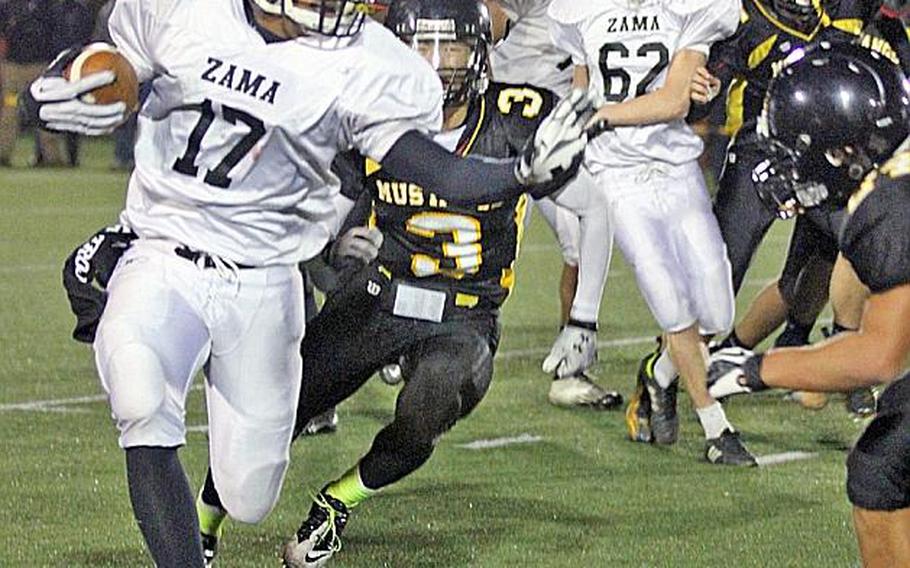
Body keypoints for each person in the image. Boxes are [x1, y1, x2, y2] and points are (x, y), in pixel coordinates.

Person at [22, 0, 592, 565]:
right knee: (143, 399)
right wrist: (77, 75)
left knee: (251, 489)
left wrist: (518, 176)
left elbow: (436, 169)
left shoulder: (368, 62)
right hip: (181, 251)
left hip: (287, 281)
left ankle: (291, 497)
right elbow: (115, 64)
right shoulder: (183, 10)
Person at [708, 42, 910, 568]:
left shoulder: (885, 206)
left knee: (882, 466)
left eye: (798, 148)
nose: (791, 166)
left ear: (843, 149)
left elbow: (878, 357)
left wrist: (758, 368)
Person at [547, 0, 756, 465]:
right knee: (668, 297)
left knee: (717, 313)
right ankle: (715, 425)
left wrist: (600, 116)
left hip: (675, 165)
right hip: (614, 172)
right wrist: (576, 116)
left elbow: (673, 101)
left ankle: (660, 373)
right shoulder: (577, 11)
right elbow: (582, 87)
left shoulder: (690, 8)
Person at [688, 0, 906, 415]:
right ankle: (673, 367)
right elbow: (703, 88)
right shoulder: (743, 18)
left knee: (840, 252)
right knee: (720, 270)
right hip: (763, 152)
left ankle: (819, 354)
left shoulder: (850, 7)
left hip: (832, 161)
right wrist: (703, 92)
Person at [482, 0, 623, 411]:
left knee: (582, 238)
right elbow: (487, 20)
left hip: (558, 123)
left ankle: (571, 366)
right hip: (500, 119)